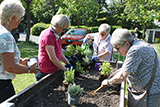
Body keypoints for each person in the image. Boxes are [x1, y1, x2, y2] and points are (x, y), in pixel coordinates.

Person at [101, 28, 160, 107]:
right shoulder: (136, 44)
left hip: (150, 95)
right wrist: (117, 72)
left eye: (117, 48)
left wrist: (108, 82)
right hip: (143, 92)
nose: (116, 51)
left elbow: (122, 76)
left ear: (127, 43)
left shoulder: (136, 50)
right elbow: (129, 65)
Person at [0, 0, 41, 103]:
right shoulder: (6, 36)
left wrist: (20, 61)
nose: (20, 20)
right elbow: (9, 66)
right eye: (20, 17)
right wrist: (28, 69)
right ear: (13, 17)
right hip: (2, 86)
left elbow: (3, 58)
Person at [36, 14, 73, 81]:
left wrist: (68, 63)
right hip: (46, 69)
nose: (64, 31)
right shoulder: (48, 35)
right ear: (56, 25)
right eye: (63, 29)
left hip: (54, 68)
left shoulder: (56, 35)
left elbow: (60, 53)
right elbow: (52, 58)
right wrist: (65, 69)